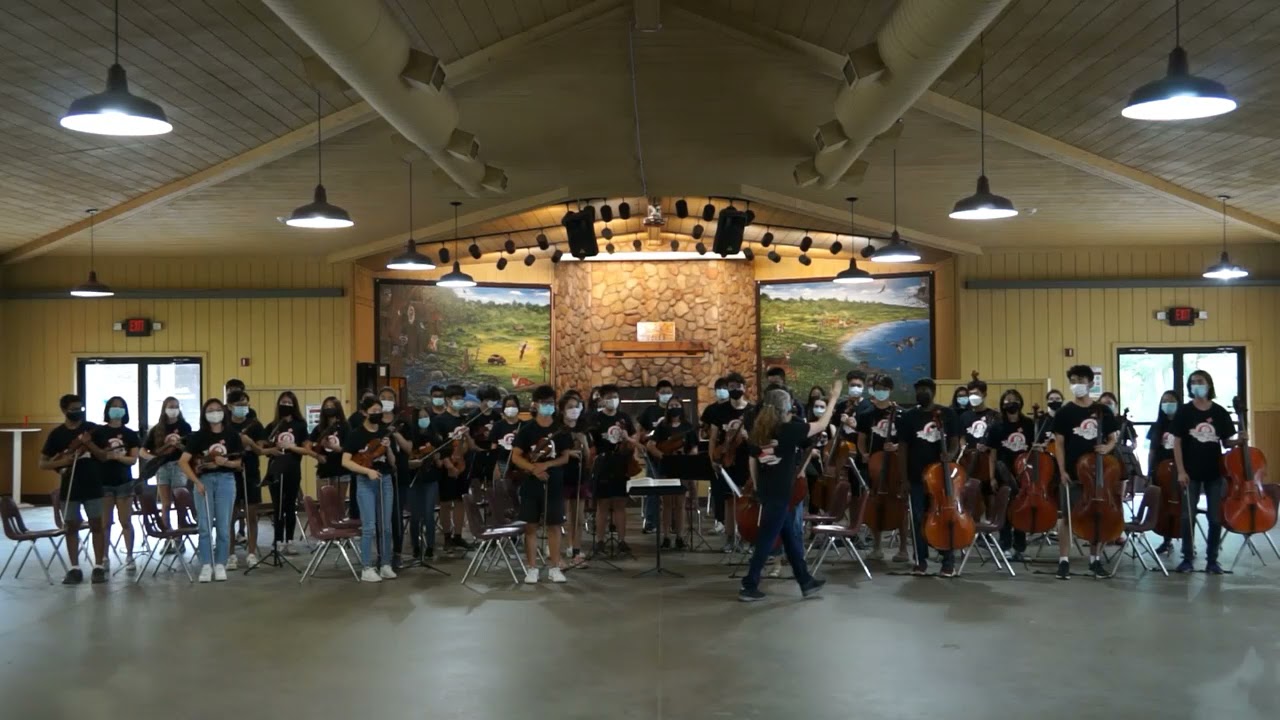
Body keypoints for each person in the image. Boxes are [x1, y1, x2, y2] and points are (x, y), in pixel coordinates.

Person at [737, 380, 841, 602]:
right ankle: (749, 585)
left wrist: (756, 486)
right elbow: (821, 425)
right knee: (766, 541)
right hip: (780, 493)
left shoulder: (762, 430)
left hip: (768, 490)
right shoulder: (789, 430)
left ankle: (805, 581)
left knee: (791, 538)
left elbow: (754, 460)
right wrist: (833, 398)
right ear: (786, 409)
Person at [1051, 365, 1119, 579]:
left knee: (1096, 516)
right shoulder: (1064, 412)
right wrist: (1061, 470)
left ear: (1090, 383)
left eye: (1080, 379)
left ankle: (1095, 560)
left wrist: (1107, 448)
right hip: (1072, 471)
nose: (1076, 384)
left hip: (1097, 472)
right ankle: (1063, 561)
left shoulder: (1103, 411)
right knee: (1067, 518)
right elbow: (1059, 444)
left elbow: (1112, 438)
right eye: (1072, 380)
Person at [1173, 370, 1242, 575]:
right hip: (1190, 473)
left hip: (1215, 472)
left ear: (1209, 385)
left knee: (1214, 518)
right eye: (1193, 382)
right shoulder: (1184, 412)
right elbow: (1176, 442)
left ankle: (1212, 560)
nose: (1196, 385)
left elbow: (1227, 441)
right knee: (1187, 517)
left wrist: (1239, 440)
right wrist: (1181, 471)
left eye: (1200, 381)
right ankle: (1187, 558)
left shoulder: (1220, 412)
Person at [511, 385, 577, 583]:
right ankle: (531, 568)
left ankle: (554, 566)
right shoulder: (526, 429)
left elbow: (565, 457)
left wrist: (546, 464)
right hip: (531, 484)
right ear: (535, 404)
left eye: (551, 403)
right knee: (530, 526)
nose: (548, 406)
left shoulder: (560, 429)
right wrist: (533, 469)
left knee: (554, 525)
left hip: (555, 483)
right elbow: (516, 457)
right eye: (544, 403)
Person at [40, 394, 106, 584]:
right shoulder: (56, 434)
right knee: (71, 527)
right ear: (64, 410)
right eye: (74, 409)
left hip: (92, 484)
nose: (78, 412)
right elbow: (43, 463)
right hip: (70, 486)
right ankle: (74, 568)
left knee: (96, 525)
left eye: (80, 408)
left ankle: (99, 567)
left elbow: (103, 456)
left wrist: (88, 443)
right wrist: (65, 461)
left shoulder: (93, 429)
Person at [179, 398, 245, 583]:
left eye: (218, 409)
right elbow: (183, 461)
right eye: (210, 410)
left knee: (224, 527)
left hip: (226, 480)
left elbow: (239, 463)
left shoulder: (232, 435)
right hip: (204, 481)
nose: (214, 413)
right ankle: (206, 564)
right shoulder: (198, 436)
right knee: (205, 526)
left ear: (224, 412)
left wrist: (227, 463)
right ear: (205, 414)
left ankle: (221, 564)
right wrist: (196, 482)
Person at [900, 378, 961, 576]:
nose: (921, 393)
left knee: (945, 517)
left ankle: (948, 561)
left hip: (941, 478)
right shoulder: (909, 417)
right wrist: (904, 478)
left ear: (933, 391)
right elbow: (903, 449)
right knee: (918, 518)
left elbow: (954, 442)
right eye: (918, 390)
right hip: (916, 476)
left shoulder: (947, 414)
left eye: (924, 390)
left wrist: (950, 455)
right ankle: (921, 560)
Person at [341, 395, 398, 582]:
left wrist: (388, 448)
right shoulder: (356, 434)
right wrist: (367, 471)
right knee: (369, 527)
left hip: (386, 480)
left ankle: (386, 564)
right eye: (373, 411)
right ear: (364, 412)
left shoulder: (384, 432)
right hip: (366, 482)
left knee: (386, 526)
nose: (377, 414)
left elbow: (392, 462)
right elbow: (346, 461)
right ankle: (366, 567)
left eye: (379, 411)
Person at [856, 374, 908, 562]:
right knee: (874, 503)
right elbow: (861, 439)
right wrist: (864, 453)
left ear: (890, 390)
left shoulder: (901, 413)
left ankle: (903, 549)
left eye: (884, 388)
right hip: (874, 466)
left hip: (895, 466)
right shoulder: (866, 415)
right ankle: (877, 547)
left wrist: (895, 447)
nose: (880, 391)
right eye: (878, 387)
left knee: (900, 506)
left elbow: (905, 441)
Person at [703, 373, 754, 549]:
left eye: (738, 386)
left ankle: (746, 537)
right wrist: (712, 459)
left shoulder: (752, 411)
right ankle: (730, 537)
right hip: (725, 459)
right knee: (728, 500)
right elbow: (713, 437)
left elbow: (758, 438)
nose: (734, 390)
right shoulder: (720, 411)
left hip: (746, 460)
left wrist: (748, 437)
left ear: (744, 388)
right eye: (731, 387)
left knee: (745, 500)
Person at [92, 397, 141, 572]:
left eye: (121, 407)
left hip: (124, 483)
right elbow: (96, 455)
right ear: (107, 410)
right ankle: (103, 556)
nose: (117, 410)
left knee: (125, 521)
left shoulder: (130, 434)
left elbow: (133, 459)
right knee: (105, 522)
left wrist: (118, 457)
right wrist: (106, 456)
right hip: (103, 482)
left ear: (125, 411)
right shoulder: (98, 432)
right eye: (114, 407)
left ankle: (129, 555)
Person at [985, 389, 1035, 561]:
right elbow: (992, 455)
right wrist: (992, 477)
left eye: (1014, 400)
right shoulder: (996, 427)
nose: (1010, 403)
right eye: (1007, 400)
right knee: (1004, 510)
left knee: (1021, 509)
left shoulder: (1028, 424)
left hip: (1023, 473)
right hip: (1002, 471)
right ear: (1002, 404)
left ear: (1020, 403)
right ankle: (1005, 546)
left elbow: (1032, 450)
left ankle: (1020, 548)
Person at [589, 384, 639, 555]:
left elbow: (634, 440)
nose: (612, 400)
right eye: (608, 397)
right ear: (602, 399)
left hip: (621, 463)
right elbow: (591, 444)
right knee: (602, 504)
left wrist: (627, 438)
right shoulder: (595, 419)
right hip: (602, 463)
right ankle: (600, 541)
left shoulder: (624, 418)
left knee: (620, 503)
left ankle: (622, 540)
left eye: (615, 396)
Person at [261, 391, 310, 558]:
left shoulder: (300, 425)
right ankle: (278, 540)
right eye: (283, 402)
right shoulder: (273, 425)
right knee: (278, 506)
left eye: (289, 402)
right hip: (275, 468)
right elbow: (264, 446)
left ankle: (289, 540)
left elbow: (306, 449)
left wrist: (291, 447)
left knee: (290, 505)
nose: (286, 405)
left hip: (293, 468)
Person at [647, 396, 697, 550]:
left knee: (681, 504)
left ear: (682, 407)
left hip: (682, 467)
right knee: (667, 504)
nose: (674, 407)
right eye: (671, 405)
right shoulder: (663, 426)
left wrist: (690, 458)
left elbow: (694, 448)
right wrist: (662, 456)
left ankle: (680, 537)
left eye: (677, 404)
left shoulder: (688, 427)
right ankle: (666, 537)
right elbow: (650, 445)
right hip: (666, 468)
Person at [432, 384, 475, 553]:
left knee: (460, 501)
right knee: (445, 502)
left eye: (461, 398)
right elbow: (438, 447)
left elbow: (470, 445)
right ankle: (447, 536)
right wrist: (449, 465)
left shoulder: (464, 420)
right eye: (456, 398)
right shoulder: (439, 421)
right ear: (448, 400)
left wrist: (467, 434)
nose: (459, 401)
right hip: (447, 466)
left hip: (464, 464)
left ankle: (458, 535)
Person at [140, 396, 192, 535]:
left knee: (180, 501)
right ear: (164, 409)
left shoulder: (184, 427)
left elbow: (190, 449)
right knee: (166, 503)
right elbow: (143, 451)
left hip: (179, 466)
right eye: (170, 407)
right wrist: (155, 459)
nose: (173, 410)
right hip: (162, 467)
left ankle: (181, 533)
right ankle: (167, 533)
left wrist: (179, 445)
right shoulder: (157, 429)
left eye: (176, 407)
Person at [377, 386, 414, 569]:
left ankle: (397, 553)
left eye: (389, 397)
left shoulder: (404, 423)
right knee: (379, 515)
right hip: (379, 473)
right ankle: (381, 554)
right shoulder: (374, 422)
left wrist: (396, 433)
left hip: (400, 474)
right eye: (382, 397)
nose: (386, 400)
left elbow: (408, 449)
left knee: (396, 515)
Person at [226, 390, 264, 569]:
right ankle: (231, 554)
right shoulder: (225, 426)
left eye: (245, 405)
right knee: (230, 516)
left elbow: (261, 450)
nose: (243, 408)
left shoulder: (254, 425)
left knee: (251, 515)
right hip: (230, 474)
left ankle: (251, 552)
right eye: (239, 405)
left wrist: (250, 442)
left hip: (251, 472)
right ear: (230, 406)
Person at [637, 379, 676, 534]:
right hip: (653, 456)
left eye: (669, 392)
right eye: (663, 392)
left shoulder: (675, 410)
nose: (666, 395)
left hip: (672, 456)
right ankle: (651, 521)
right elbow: (640, 431)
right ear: (657, 394)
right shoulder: (650, 411)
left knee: (672, 490)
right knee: (652, 489)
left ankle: (673, 523)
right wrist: (645, 439)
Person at [557, 393, 591, 566]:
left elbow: (588, 458)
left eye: (576, 407)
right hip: (562, 476)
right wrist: (567, 453)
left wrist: (584, 444)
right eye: (569, 407)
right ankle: (559, 552)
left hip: (579, 477)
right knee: (561, 516)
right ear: (562, 410)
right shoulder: (558, 431)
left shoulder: (583, 431)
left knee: (578, 517)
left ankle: (576, 550)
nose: (573, 410)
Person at [407, 405, 443, 561]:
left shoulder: (435, 437)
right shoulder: (411, 438)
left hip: (431, 479)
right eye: (421, 417)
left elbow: (440, 462)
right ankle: (415, 546)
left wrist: (436, 458)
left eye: (426, 416)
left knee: (429, 514)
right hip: (414, 480)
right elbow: (408, 458)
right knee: (415, 516)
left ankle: (430, 547)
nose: (424, 420)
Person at [1147, 390, 1180, 554]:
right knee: (1164, 504)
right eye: (1164, 401)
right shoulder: (1157, 426)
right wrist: (1149, 471)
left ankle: (1188, 540)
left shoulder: (1183, 423)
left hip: (1180, 469)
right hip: (1161, 469)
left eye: (1171, 400)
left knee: (1183, 505)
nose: (1167, 403)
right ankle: (1167, 539)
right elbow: (1152, 450)